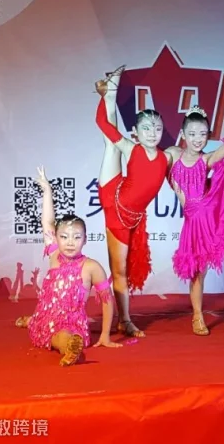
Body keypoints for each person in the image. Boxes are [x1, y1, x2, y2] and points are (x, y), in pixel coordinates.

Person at [15, 167, 121, 366]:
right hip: (47, 317)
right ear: (56, 239)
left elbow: (107, 302)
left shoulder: (92, 267)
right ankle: (33, 320)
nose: (70, 242)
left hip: (73, 324)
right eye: (64, 237)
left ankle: (70, 347)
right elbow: (48, 221)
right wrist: (47, 191)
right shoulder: (54, 254)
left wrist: (105, 335)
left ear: (85, 239)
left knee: (62, 334)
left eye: (76, 237)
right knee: (46, 325)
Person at [94, 66, 169, 338]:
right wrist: (103, 100)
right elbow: (104, 125)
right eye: (146, 128)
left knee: (122, 270)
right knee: (120, 270)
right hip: (114, 204)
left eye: (157, 128)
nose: (152, 132)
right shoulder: (131, 147)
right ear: (135, 131)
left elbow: (190, 166)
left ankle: (122, 319)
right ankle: (125, 320)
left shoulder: (167, 156)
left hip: (131, 213)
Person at [167, 93, 224, 336]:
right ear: (183, 134)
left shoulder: (206, 160)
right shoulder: (172, 154)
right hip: (192, 221)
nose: (197, 139)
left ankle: (198, 316)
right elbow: (153, 163)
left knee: (200, 270)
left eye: (203, 134)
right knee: (194, 271)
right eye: (192, 133)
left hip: (208, 216)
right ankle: (197, 314)